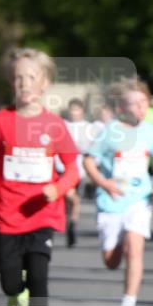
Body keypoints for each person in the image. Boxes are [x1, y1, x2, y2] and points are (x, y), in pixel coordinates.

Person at [0, 49, 80, 306]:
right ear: (11, 82)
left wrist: (59, 188)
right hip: (8, 214)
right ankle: (16, 296)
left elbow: (73, 168)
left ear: (44, 83)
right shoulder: (1, 121)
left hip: (42, 214)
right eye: (18, 78)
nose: (24, 83)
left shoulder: (54, 124)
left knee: (39, 276)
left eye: (31, 77)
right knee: (10, 280)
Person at [83, 78, 153, 306]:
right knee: (111, 261)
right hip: (111, 201)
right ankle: (116, 243)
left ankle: (128, 304)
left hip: (139, 200)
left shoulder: (150, 132)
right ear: (121, 108)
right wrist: (103, 182)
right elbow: (89, 161)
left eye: (144, 102)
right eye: (135, 104)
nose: (141, 108)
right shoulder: (109, 132)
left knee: (135, 249)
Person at [62, 98, 92, 247]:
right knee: (68, 198)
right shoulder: (62, 125)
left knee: (74, 198)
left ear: (82, 111)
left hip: (80, 169)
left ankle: (72, 223)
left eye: (77, 110)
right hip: (63, 168)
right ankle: (69, 222)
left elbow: (93, 149)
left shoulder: (88, 127)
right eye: (72, 110)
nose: (74, 113)